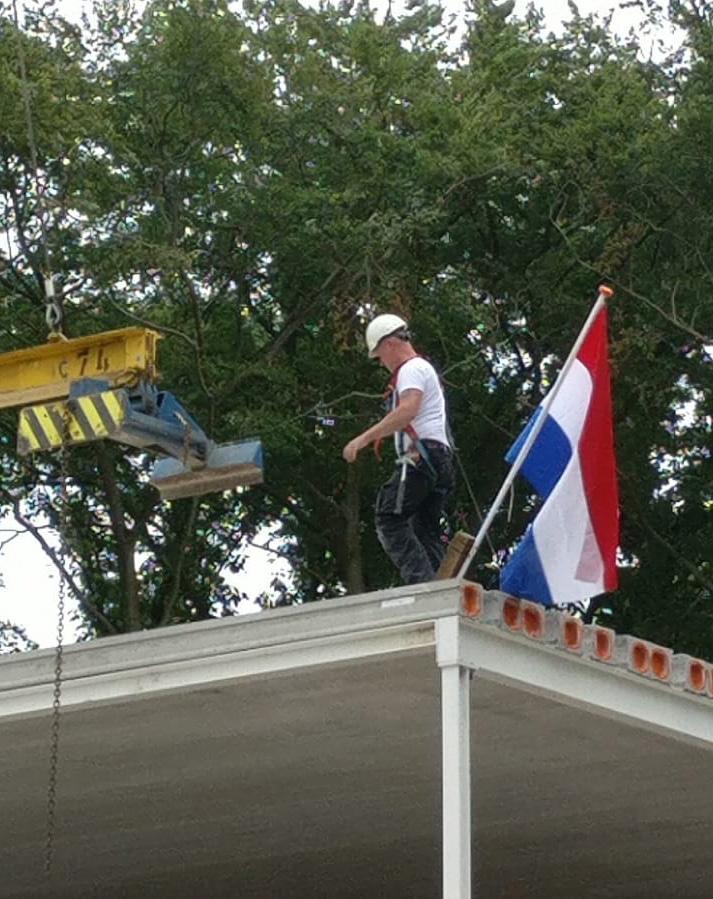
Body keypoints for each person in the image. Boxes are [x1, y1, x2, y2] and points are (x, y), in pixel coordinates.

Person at [342, 313, 455, 584]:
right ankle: (440, 587)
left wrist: (364, 439)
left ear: (390, 344)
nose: (382, 364)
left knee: (389, 517)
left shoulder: (411, 369)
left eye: (380, 356)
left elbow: (407, 410)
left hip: (421, 457)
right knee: (424, 529)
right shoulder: (423, 368)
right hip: (438, 460)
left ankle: (422, 586)